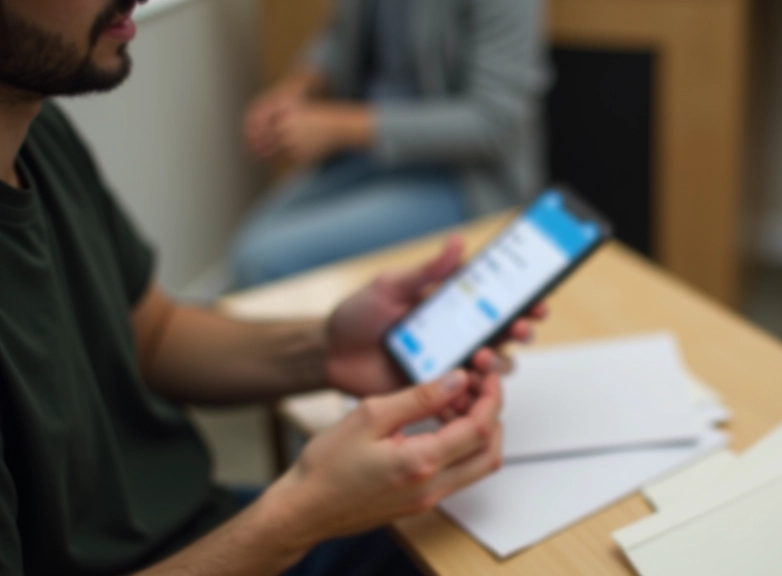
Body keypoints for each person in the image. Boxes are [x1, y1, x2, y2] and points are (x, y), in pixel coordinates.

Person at [0, 1, 546, 574]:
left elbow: (154, 335)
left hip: (200, 529)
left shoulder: (42, 132)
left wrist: (328, 349)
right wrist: (302, 512)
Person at [231, 0, 549, 287]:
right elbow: (341, 36)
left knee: (263, 259)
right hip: (368, 156)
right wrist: (298, 89)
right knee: (252, 241)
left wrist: (337, 127)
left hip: (461, 176)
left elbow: (492, 123)